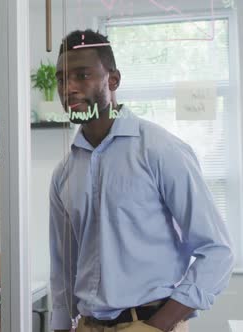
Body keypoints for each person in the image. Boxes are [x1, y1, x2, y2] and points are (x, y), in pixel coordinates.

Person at [49, 29, 235, 332]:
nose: (68, 88)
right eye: (61, 79)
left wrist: (158, 325)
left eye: (81, 75)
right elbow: (63, 266)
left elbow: (218, 251)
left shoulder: (161, 150)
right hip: (87, 325)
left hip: (151, 322)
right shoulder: (64, 173)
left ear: (113, 80)